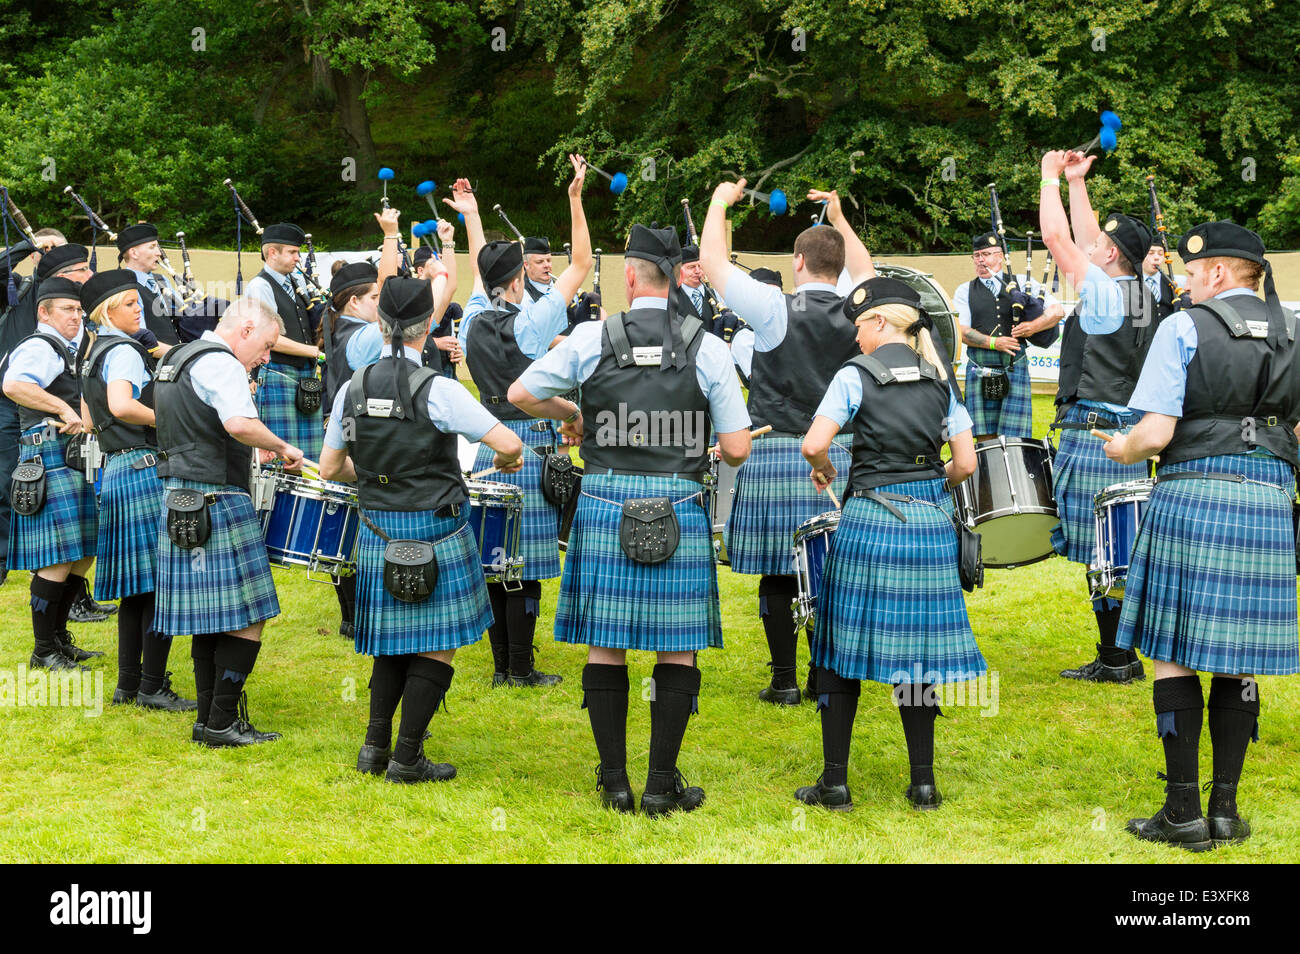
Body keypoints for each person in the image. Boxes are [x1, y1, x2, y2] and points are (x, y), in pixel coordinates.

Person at [509, 223, 751, 815]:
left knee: (605, 645)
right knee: (678, 649)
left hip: (603, 501)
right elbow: (739, 448)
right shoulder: (709, 347)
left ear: (630, 276)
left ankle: (614, 782)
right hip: (680, 503)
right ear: (674, 280)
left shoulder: (592, 337)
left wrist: (575, 412)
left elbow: (519, 393)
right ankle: (660, 785)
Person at [1102, 222, 1300, 851]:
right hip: (1268, 498)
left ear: (1216, 273)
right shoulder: (1296, 330)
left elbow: (1155, 433)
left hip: (1193, 491)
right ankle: (1225, 811)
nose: (1186, 286)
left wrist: (1120, 447)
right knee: (1239, 659)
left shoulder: (1183, 326)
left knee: (1174, 650)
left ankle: (1182, 812)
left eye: (1191, 275)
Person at [319, 276, 525, 783]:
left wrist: (375, 476)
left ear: (381, 324)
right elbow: (510, 442)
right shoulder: (439, 390)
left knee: (390, 641)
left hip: (377, 527)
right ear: (425, 327)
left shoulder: (354, 387)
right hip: (435, 527)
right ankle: (407, 757)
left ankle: (374, 748)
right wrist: (506, 460)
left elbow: (330, 467)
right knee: (436, 642)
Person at [795, 276, 980, 811]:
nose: (855, 339)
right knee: (918, 657)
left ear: (880, 322)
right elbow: (966, 463)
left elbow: (813, 443)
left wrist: (825, 468)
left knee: (836, 651)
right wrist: (930, 486)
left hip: (871, 520)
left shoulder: (855, 375)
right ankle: (923, 785)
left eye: (859, 327)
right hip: (928, 524)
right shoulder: (939, 379)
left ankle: (835, 784)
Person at [698, 184, 873, 706]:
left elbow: (710, 260)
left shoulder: (774, 308)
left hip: (776, 450)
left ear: (798, 261)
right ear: (837, 263)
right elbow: (863, 269)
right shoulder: (861, 308)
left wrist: (719, 202)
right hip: (836, 453)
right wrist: (840, 217)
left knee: (778, 571)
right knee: (830, 569)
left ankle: (783, 680)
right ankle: (823, 676)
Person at [450, 159, 592, 687]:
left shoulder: (468, 320)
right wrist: (576, 198)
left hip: (490, 446)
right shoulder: (530, 325)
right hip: (531, 442)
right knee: (526, 567)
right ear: (517, 281)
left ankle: (501, 666)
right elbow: (579, 264)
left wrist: (472, 216)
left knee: (495, 562)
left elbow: (483, 267)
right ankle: (522, 668)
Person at [153, 298, 304, 746]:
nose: (267, 356)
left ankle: (208, 720)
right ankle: (221, 722)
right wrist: (282, 446)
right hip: (218, 495)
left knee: (208, 615)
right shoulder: (222, 365)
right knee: (249, 614)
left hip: (179, 494)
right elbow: (239, 423)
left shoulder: (176, 358)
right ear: (246, 328)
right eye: (267, 345)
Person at [1039, 149, 1159, 684]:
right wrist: (1076, 183)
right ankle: (1120, 653)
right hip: (1128, 429)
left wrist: (1047, 181)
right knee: (1117, 546)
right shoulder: (1144, 290)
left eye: (1103, 247)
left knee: (1104, 551)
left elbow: (1061, 243)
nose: (1096, 249)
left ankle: (1116, 658)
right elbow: (1089, 239)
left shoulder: (1108, 295)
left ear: (1111, 255)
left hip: (1098, 432)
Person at [79, 270, 195, 711]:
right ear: (107, 310)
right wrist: (170, 418)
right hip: (145, 468)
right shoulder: (125, 351)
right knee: (159, 581)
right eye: (129, 303)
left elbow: (90, 421)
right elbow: (122, 405)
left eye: (138, 303)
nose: (138, 310)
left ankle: (130, 685)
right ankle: (151, 688)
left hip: (118, 468)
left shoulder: (92, 353)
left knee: (137, 590)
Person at [0, 277, 102, 670]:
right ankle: (43, 650)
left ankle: (58, 639)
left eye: (79, 310)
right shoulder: (39, 346)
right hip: (48, 454)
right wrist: (61, 409)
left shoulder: (70, 347)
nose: (77, 317)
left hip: (71, 455)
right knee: (58, 556)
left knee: (82, 553)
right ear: (44, 312)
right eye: (68, 310)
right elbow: (14, 384)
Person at [954, 232, 1064, 439]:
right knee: (983, 434)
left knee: (1015, 436)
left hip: (1014, 366)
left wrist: (1033, 326)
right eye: (976, 255)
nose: (980, 260)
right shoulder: (964, 290)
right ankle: (986, 470)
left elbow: (1057, 311)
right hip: (980, 366)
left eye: (986, 254)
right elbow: (963, 331)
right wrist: (995, 342)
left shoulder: (1023, 283)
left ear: (1001, 257)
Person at [244, 223, 325, 461]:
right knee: (282, 455)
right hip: (278, 374)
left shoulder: (292, 282)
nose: (298, 258)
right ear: (272, 253)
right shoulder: (260, 286)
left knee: (310, 455)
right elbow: (268, 337)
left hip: (303, 377)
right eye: (292, 252)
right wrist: (314, 352)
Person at [116, 223, 182, 350]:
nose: (158, 253)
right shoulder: (125, 287)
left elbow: (181, 316)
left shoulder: (162, 281)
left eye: (157, 247)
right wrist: (178, 354)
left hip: (174, 360)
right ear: (134, 253)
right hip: (150, 363)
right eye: (152, 247)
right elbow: (140, 339)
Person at [680, 244, 745, 344]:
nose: (698, 271)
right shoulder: (671, 296)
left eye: (700, 266)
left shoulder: (718, 296)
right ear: (680, 270)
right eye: (691, 267)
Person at [1141, 243, 1190, 322]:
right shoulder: (1132, 282)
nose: (1156, 258)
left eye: (1160, 254)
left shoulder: (1177, 281)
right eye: (1150, 253)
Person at [522, 236, 554, 302]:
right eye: (539, 262)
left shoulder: (563, 286)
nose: (547, 265)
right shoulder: (522, 296)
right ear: (526, 265)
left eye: (548, 260)